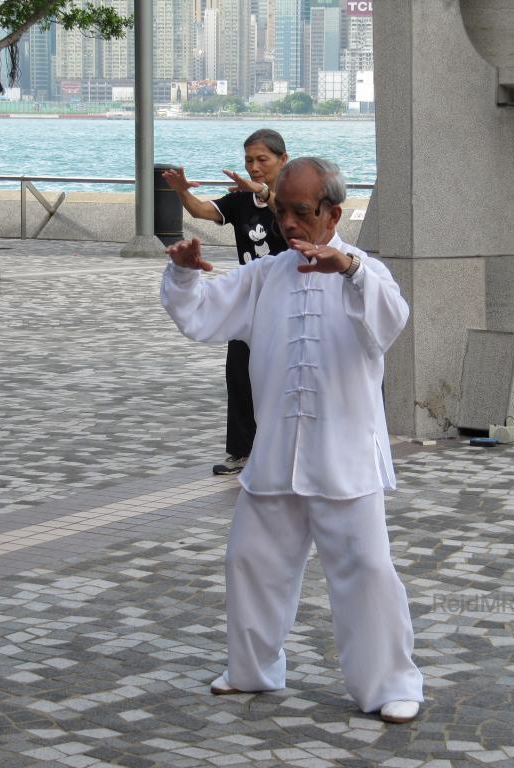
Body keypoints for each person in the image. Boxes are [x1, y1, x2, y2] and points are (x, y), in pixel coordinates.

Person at [160, 157, 424, 723]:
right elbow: (202, 316)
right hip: (277, 455)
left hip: (345, 459)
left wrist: (348, 267)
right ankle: (252, 669)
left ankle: (390, 684)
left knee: (367, 572)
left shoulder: (367, 272)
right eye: (281, 211)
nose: (288, 223)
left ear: (332, 212)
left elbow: (389, 322)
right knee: (250, 561)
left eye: (301, 212)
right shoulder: (264, 276)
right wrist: (184, 275)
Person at [162, 129, 288, 476]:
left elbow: (293, 214)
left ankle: (283, 449)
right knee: (239, 372)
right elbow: (203, 211)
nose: (254, 167)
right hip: (248, 305)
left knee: (282, 376)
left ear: (283, 160)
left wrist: (264, 192)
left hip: (287, 304)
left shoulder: (292, 199)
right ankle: (243, 452)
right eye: (249, 160)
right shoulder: (239, 201)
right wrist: (181, 191)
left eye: (262, 159)